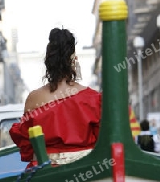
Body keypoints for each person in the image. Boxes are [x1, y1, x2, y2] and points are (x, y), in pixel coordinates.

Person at [9, 28, 101, 166]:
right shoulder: (93, 99)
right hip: (86, 172)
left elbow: (27, 144)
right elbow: (105, 142)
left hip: (44, 176)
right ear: (74, 61)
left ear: (48, 61)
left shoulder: (33, 99)